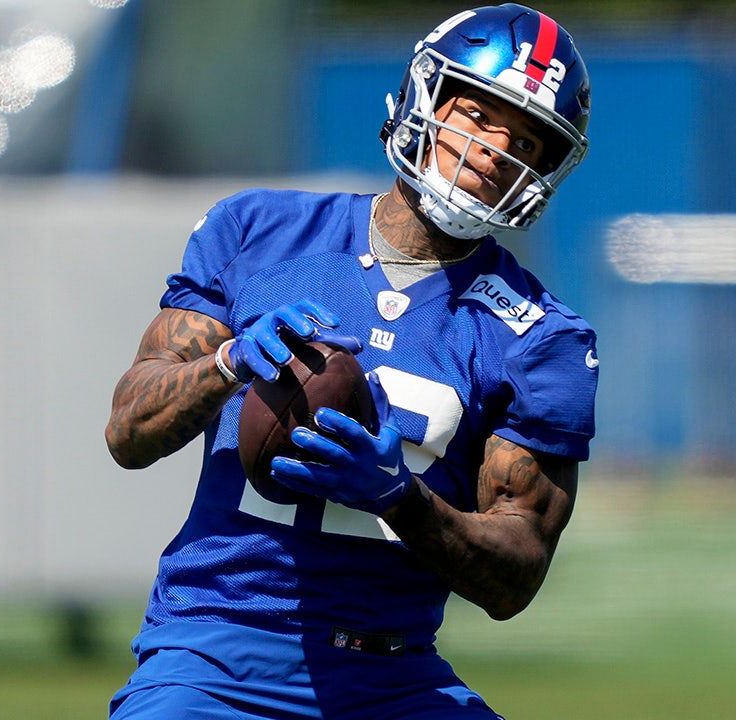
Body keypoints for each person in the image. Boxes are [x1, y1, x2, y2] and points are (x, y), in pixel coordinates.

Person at [104, 4, 598, 718]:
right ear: (424, 99)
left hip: (394, 676)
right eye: (479, 115)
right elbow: (127, 432)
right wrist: (229, 363)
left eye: (526, 140)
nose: (496, 150)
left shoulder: (540, 336)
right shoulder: (258, 230)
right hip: (213, 653)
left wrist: (401, 497)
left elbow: (514, 576)